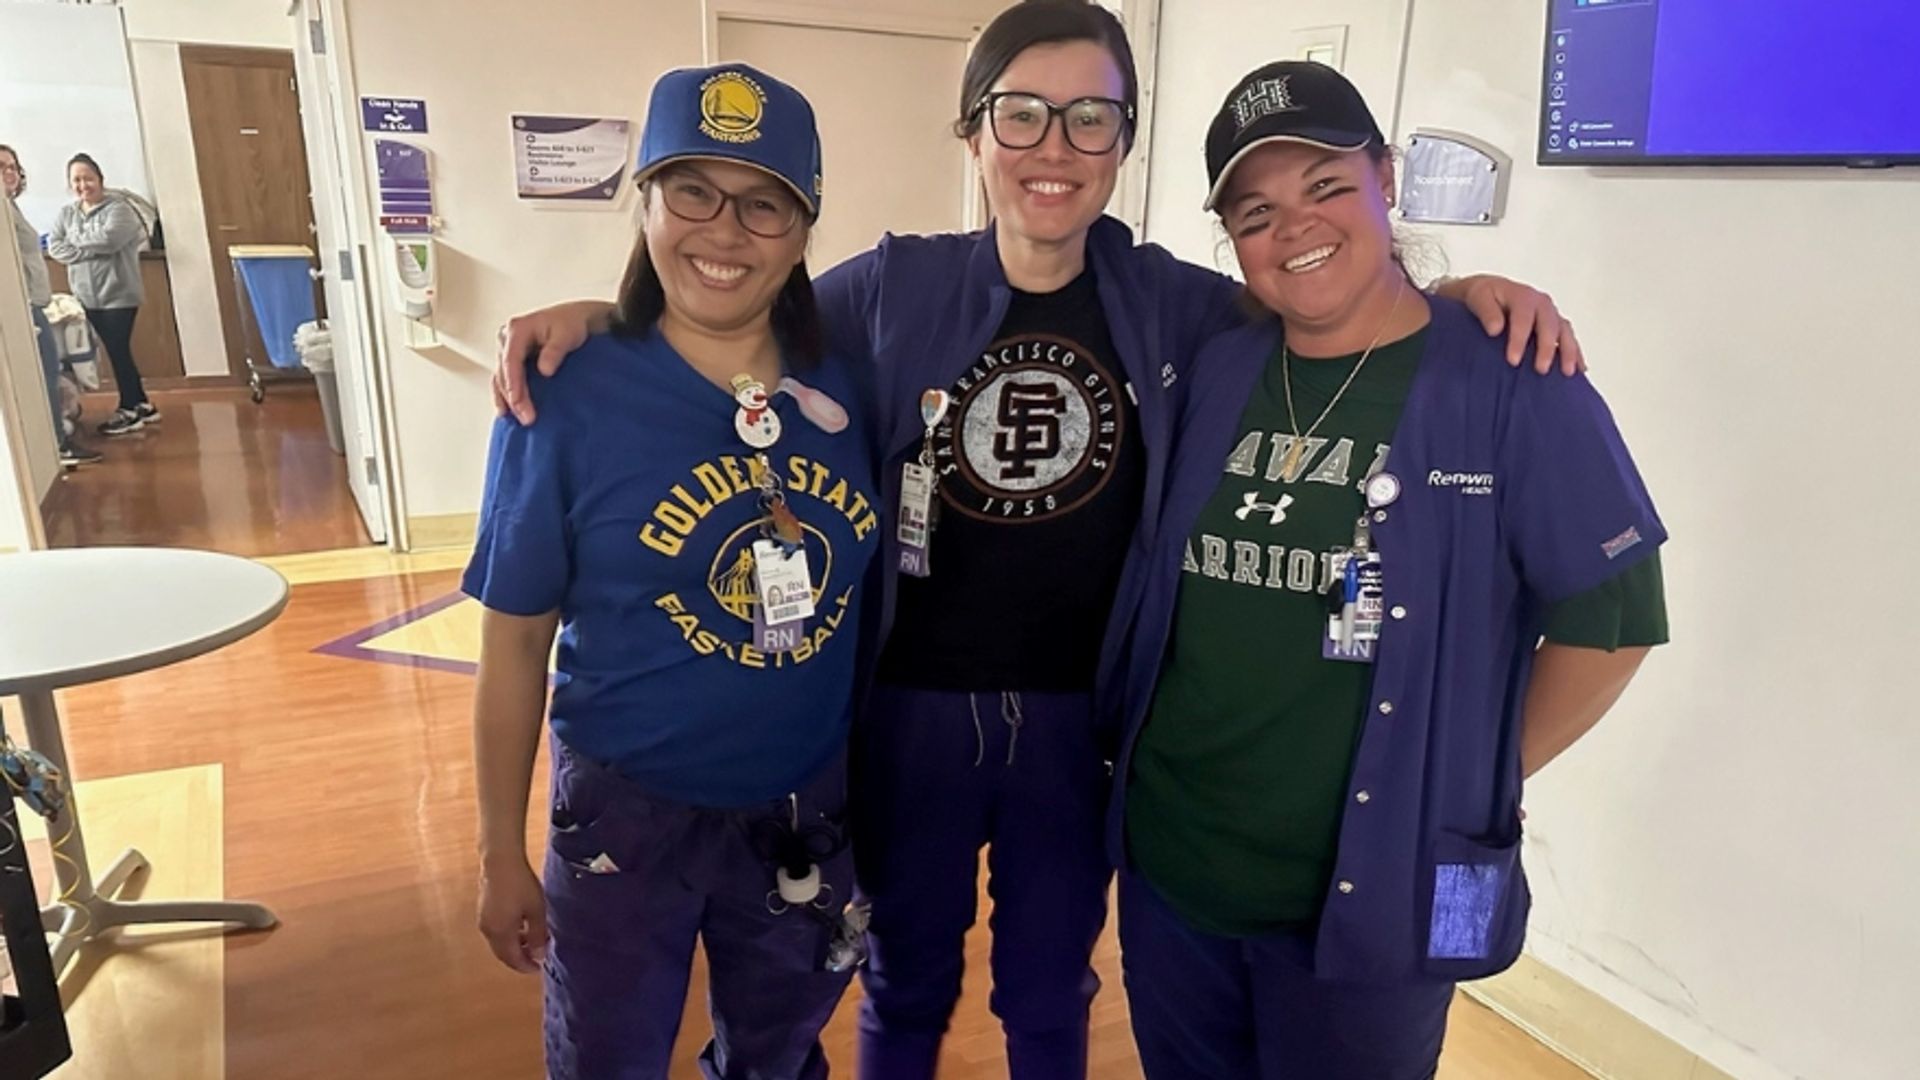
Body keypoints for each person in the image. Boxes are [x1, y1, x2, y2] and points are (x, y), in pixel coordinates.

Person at [492, 5, 1582, 1077]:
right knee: (903, 976)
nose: (1054, 147)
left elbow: (1321, 299)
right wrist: (601, 319)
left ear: (1122, 145)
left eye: (1089, 119)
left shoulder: (1172, 303)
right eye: (1021, 113)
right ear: (973, 132)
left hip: (1075, 725)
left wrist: (1450, 295)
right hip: (909, 715)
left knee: (1052, 989)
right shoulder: (895, 285)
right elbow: (738, 310)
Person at [1107, 61, 1669, 1080]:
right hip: (1176, 873)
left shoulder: (1514, 378)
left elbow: (1615, 625)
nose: (1295, 228)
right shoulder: (1221, 366)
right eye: (1256, 212)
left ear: (1387, 177)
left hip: (1388, 887)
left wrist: (1473, 773)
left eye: (1326, 186)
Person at [464, 63, 878, 1079]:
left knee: (777, 1057)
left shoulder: (856, 380)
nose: (724, 231)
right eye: (692, 191)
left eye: (763, 204)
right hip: (626, 817)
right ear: (644, 202)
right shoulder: (560, 397)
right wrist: (497, 851)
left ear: (803, 229)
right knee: (607, 1058)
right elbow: (514, 643)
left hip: (805, 808)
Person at [2, 144, 100, 466]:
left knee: (49, 373)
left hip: (34, 303)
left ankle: (56, 440)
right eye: (1, 167)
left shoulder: (10, 207)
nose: (9, 173)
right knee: (44, 375)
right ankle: (57, 445)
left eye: (13, 167)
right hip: (23, 306)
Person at [46, 153, 156, 437]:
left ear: (100, 179)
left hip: (119, 295)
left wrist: (75, 243)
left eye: (88, 178)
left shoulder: (120, 209)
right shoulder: (67, 214)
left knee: (118, 350)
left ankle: (129, 409)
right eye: (76, 180)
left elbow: (109, 241)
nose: (83, 185)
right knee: (118, 351)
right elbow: (55, 246)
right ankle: (143, 404)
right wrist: (84, 248)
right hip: (86, 296)